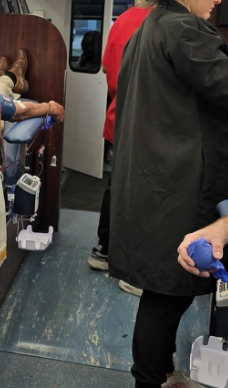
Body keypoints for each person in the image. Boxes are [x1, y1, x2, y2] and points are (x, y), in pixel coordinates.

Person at [107, 0, 228, 386]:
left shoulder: (147, 30)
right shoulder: (185, 31)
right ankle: (152, 378)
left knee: (164, 291)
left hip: (154, 181)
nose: (217, 1)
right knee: (169, 294)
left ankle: (158, 372)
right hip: (181, 186)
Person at [86, 0, 155, 298]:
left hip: (120, 116)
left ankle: (104, 250)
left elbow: (106, 68)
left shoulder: (122, 21)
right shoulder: (162, 22)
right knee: (145, 191)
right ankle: (134, 271)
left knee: (117, 185)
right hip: (146, 122)